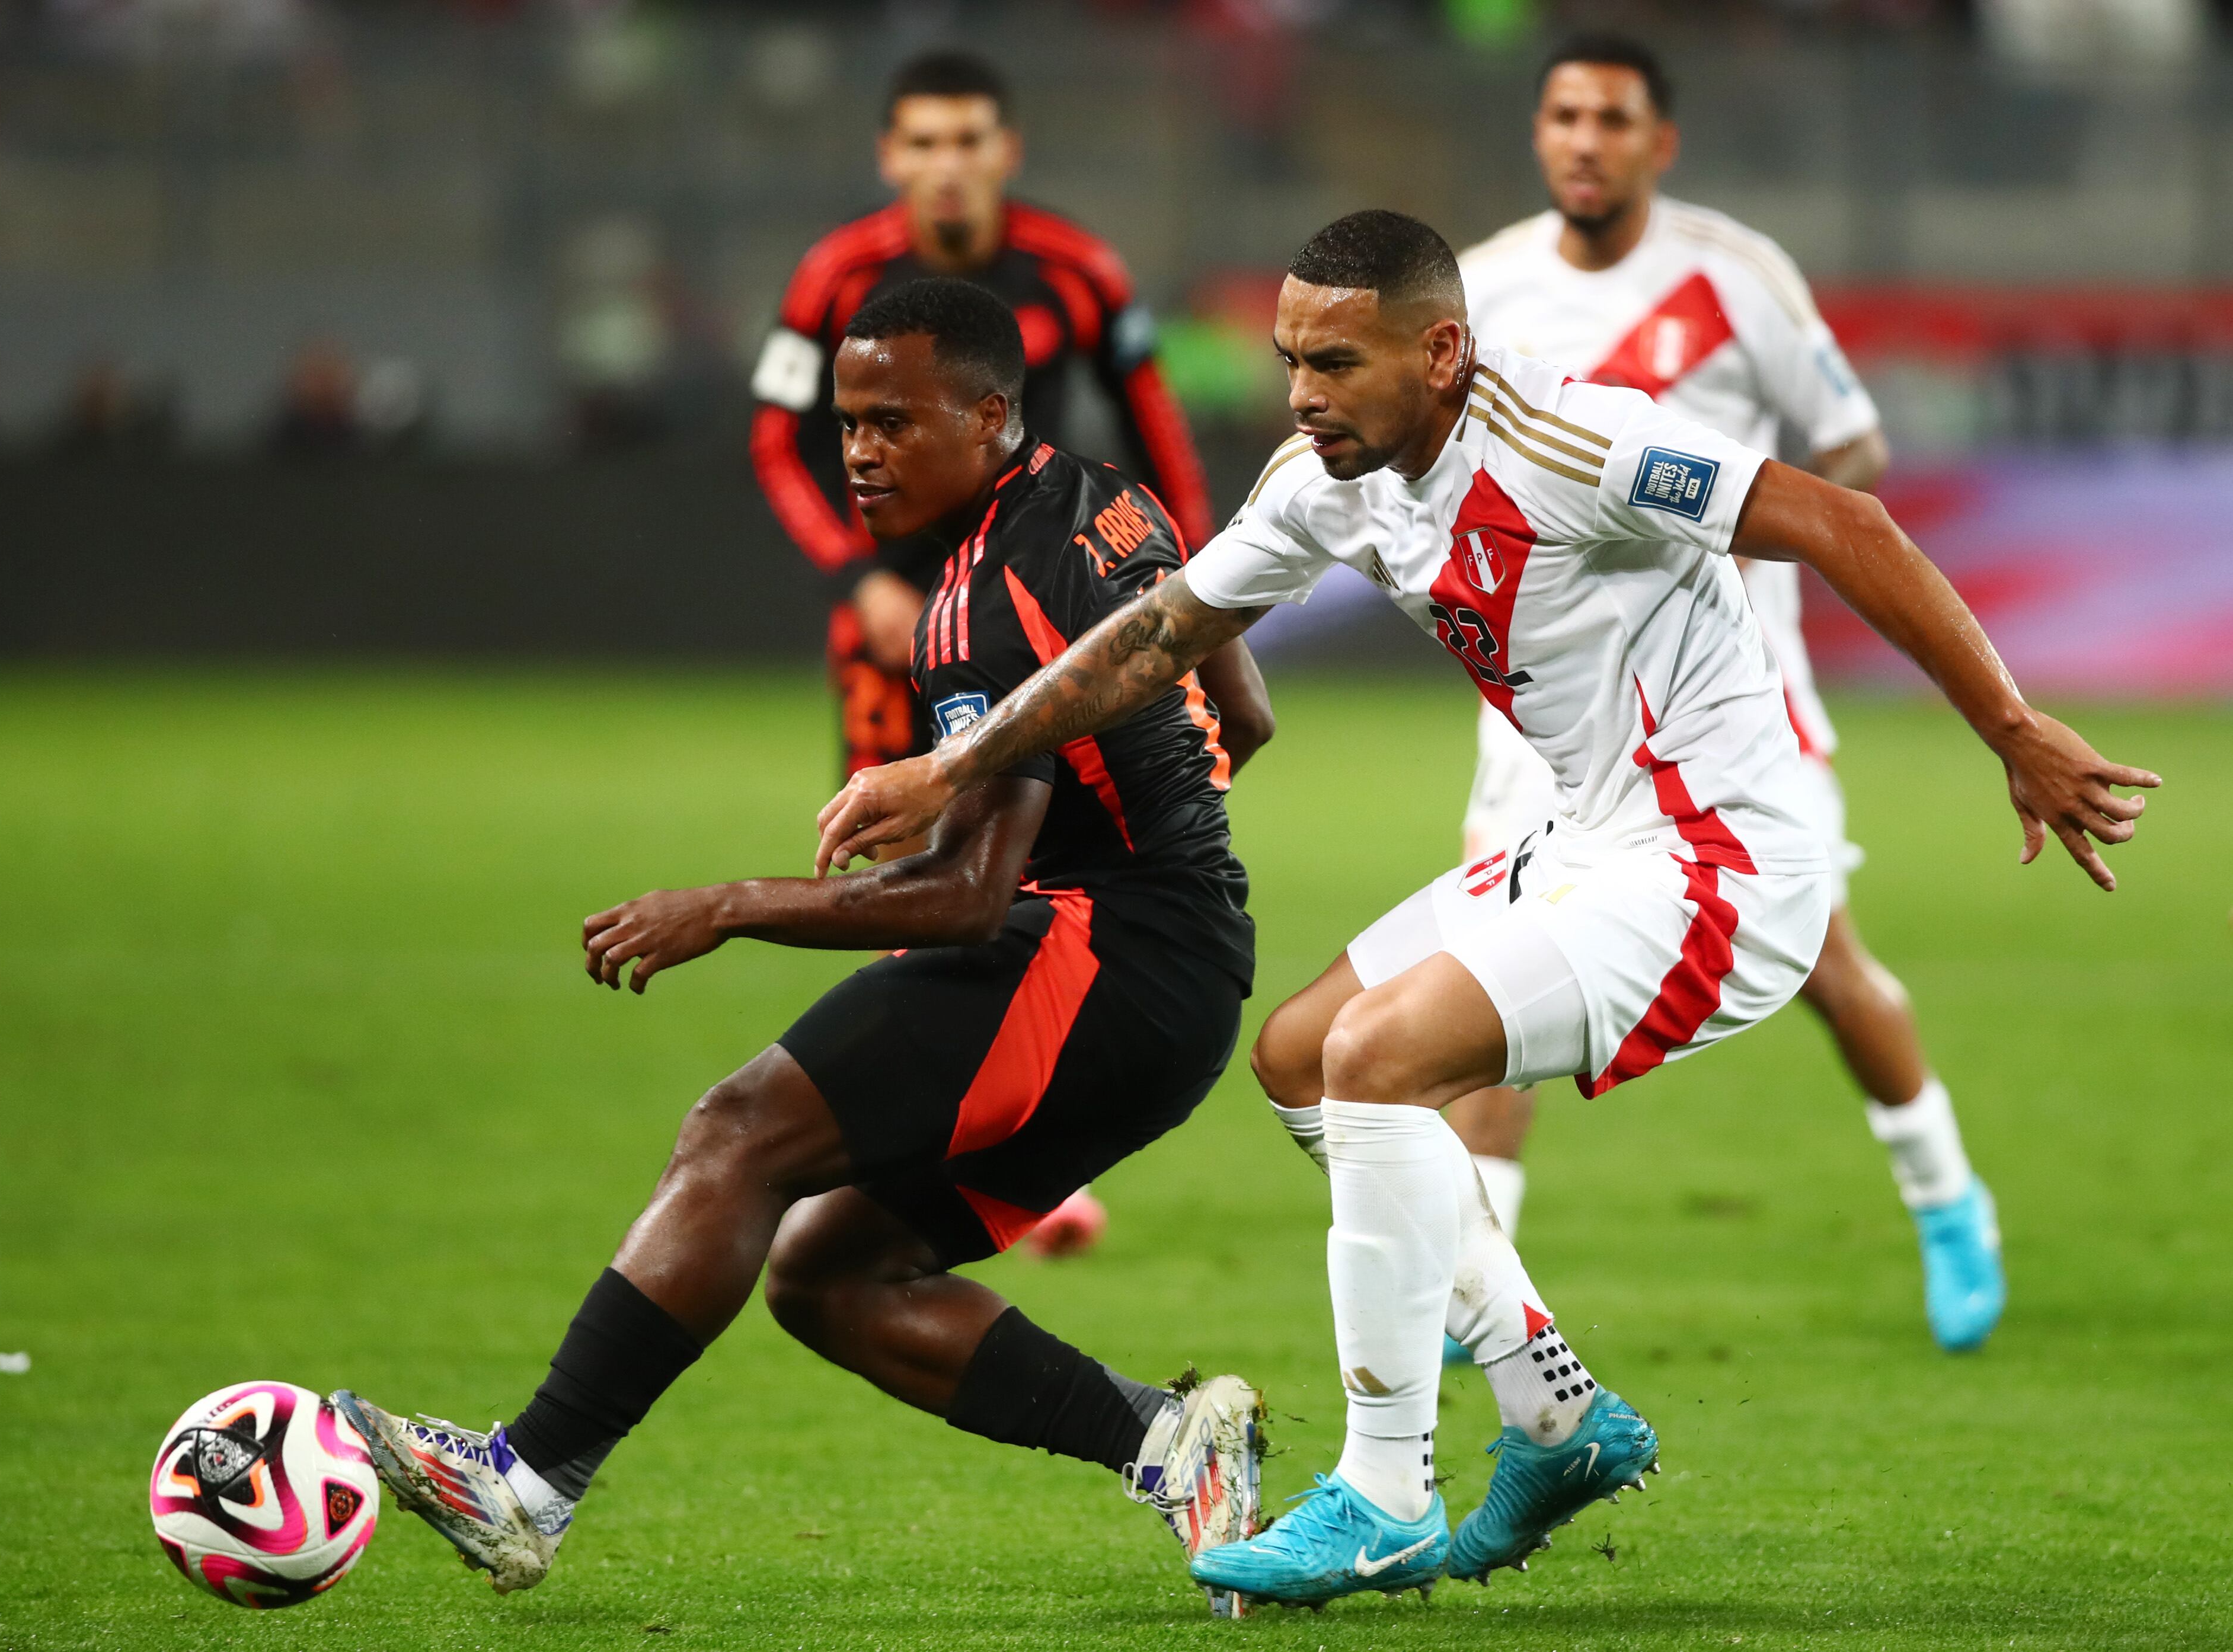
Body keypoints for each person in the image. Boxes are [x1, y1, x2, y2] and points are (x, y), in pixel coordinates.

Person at [814, 212, 2156, 1608]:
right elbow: (1162, 636)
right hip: (1584, 840)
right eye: (1288, 361)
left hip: (1718, 867)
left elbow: (1841, 518)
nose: (1301, 393)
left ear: (1441, 351)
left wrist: (2010, 726)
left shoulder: (1576, 442)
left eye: (1335, 361)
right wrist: (962, 760)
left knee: (1379, 1062)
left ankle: (1385, 1490)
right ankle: (1556, 1418)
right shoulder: (1324, 480)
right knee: (1302, 1056)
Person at [337, 279, 1277, 1612]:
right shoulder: (1106, 497)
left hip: (1094, 957)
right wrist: (1147, 823)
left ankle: (526, 1478)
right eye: (846, 422)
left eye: (894, 420)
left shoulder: (973, 606)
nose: (860, 451)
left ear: (991, 414)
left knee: (736, 1133)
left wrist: (723, 904)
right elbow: (1241, 710)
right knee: (830, 1272)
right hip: (1177, 974)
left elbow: (959, 897)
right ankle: (1163, 1440)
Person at [1436, 34, 2002, 1356]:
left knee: (1820, 957)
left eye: (1611, 118)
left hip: (1733, 690)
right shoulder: (1483, 286)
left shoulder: (1737, 278)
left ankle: (1942, 1197)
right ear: (1538, 133)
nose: (1584, 139)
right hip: (1546, 705)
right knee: (1493, 980)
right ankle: (1485, 1304)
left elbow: (1847, 451)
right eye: (1563, 115)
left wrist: (1708, 516)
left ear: (1655, 141)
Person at [750, 49, 1214, 787]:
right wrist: (859, 582)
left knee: (1059, 853)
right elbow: (776, 446)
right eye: (925, 144)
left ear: (1007, 152)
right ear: (889, 157)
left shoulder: (1078, 269)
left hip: (1049, 613)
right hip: (892, 616)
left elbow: (1156, 431)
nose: (947, 167)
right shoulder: (835, 278)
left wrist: (1195, 581)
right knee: (890, 857)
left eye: (968, 142)